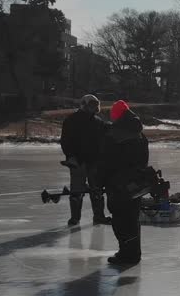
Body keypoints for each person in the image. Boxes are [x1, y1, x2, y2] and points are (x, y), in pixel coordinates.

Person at [97, 100, 150, 266]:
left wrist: (100, 181)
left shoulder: (115, 134)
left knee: (121, 221)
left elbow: (106, 161)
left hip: (117, 184)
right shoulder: (140, 133)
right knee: (132, 219)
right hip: (136, 184)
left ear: (116, 115)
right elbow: (143, 159)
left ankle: (126, 254)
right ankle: (133, 253)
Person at [60, 94, 111, 226]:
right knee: (77, 191)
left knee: (97, 190)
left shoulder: (98, 122)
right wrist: (70, 157)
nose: (94, 107)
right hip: (78, 162)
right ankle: (75, 218)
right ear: (84, 105)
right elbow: (65, 141)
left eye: (96, 105)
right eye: (92, 105)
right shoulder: (71, 120)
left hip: (95, 162)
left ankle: (99, 216)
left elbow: (105, 139)